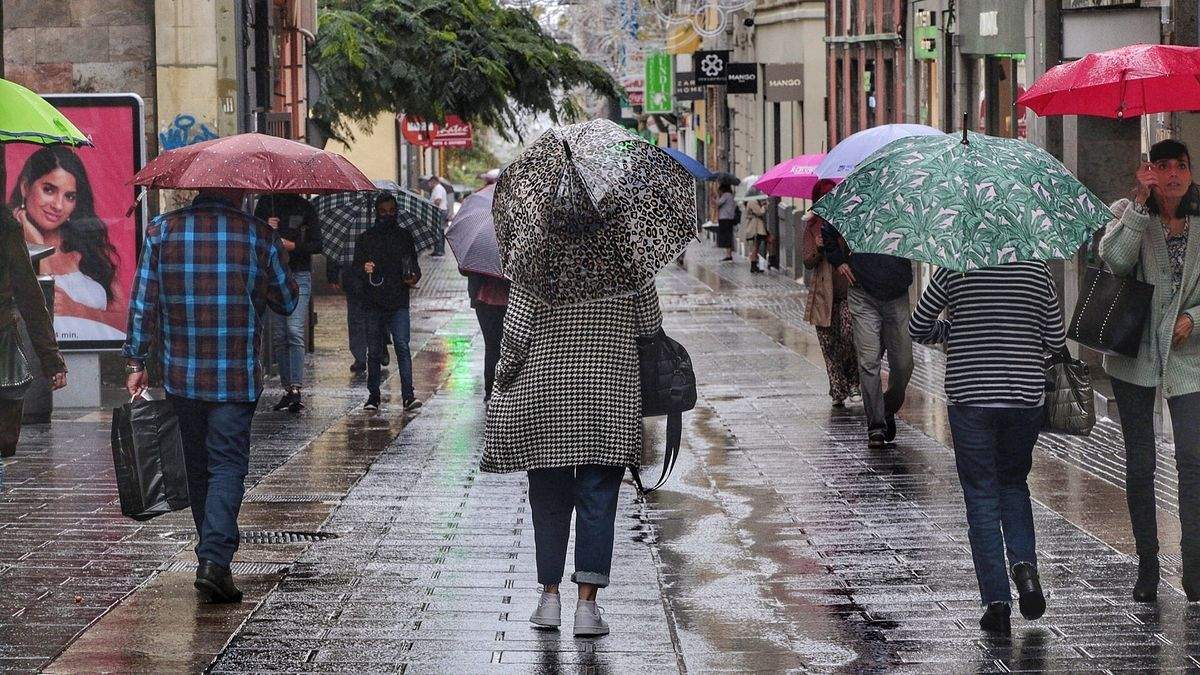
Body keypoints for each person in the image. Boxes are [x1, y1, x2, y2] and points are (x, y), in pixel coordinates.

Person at [124, 188, 297, 604]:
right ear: (237, 193)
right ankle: (214, 561)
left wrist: (135, 360)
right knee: (227, 464)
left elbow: (143, 301)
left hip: (181, 375)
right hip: (235, 375)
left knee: (198, 466)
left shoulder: (161, 231)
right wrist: (270, 255)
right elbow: (288, 300)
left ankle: (211, 557)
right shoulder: (256, 234)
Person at [482, 282, 662, 638]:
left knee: (549, 499)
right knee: (598, 498)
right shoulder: (627, 258)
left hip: (546, 393)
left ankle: (549, 600)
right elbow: (650, 325)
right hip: (609, 392)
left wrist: (502, 378)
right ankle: (587, 607)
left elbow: (516, 336)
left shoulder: (535, 258)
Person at [910, 261, 1065, 634]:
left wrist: (955, 329)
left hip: (971, 398)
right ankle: (1025, 568)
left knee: (981, 496)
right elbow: (1056, 339)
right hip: (1024, 399)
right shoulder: (1037, 271)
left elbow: (918, 326)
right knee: (1013, 483)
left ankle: (997, 603)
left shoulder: (953, 268)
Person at [1101, 139, 1200, 603]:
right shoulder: (1128, 209)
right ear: (1149, 171)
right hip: (1134, 355)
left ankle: (1196, 568)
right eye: (1163, 167)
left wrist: (1194, 318)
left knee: (1193, 463)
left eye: (1181, 166)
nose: (1173, 175)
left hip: (1190, 360)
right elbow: (1115, 261)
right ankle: (1147, 564)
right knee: (1140, 465)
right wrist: (1139, 207)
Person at [10, 146, 126, 339]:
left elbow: (123, 321)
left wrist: (78, 310)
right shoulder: (8, 247)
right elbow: (44, 311)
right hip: (36, 365)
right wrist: (37, 244)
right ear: (25, 187)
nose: (57, 205)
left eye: (69, 196)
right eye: (49, 189)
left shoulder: (90, 250)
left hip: (96, 362)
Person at [823, 221, 914, 449]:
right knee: (868, 361)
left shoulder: (904, 201)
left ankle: (887, 407)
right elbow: (828, 229)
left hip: (897, 292)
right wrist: (839, 261)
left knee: (904, 363)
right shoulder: (859, 197)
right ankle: (876, 426)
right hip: (862, 292)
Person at [0, 209, 68, 457]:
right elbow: (28, 294)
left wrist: (52, 360)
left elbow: (29, 295)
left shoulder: (5, 225)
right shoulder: (6, 225)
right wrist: (52, 361)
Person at [352, 193, 422, 411]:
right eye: (383, 211)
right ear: (376, 213)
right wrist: (365, 269)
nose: (387, 215)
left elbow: (414, 267)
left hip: (398, 300)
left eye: (391, 211)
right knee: (373, 351)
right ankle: (373, 396)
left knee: (402, 344)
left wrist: (412, 277)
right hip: (373, 302)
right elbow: (355, 271)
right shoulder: (365, 239)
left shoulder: (404, 237)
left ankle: (408, 395)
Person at [254, 195, 321, 413]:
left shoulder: (306, 208)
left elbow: (317, 244)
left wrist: (293, 246)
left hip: (298, 274)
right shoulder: (266, 204)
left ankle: (295, 387)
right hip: (273, 275)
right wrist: (266, 227)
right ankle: (287, 389)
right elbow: (253, 239)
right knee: (279, 334)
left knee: (294, 330)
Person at [802, 179, 860, 408]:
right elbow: (807, 262)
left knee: (848, 337)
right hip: (823, 294)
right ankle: (837, 389)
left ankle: (853, 382)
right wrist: (817, 247)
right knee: (829, 344)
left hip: (847, 290)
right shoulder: (811, 225)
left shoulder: (846, 221)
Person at [466, 272, 509, 401]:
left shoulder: (480, 253)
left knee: (492, 347)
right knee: (499, 347)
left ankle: (491, 391)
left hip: (484, 299)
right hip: (502, 299)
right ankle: (498, 389)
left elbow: (465, 270)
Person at [739, 192, 768, 274]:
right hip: (755, 227)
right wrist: (764, 207)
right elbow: (759, 212)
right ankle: (753, 265)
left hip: (755, 226)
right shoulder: (752, 201)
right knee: (755, 246)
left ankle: (755, 264)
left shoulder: (753, 201)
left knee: (756, 246)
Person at [426, 175, 449, 257]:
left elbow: (438, 200)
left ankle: (439, 250)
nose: (429, 184)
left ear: (433, 181)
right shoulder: (439, 188)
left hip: (439, 211)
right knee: (440, 231)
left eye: (430, 182)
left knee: (437, 231)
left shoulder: (438, 188)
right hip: (441, 210)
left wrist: (432, 208)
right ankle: (440, 250)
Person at [716, 184, 737, 262]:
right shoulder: (731, 196)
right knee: (728, 235)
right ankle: (729, 254)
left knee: (726, 237)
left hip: (724, 219)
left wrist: (717, 197)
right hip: (730, 218)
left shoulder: (726, 195)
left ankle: (728, 255)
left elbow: (718, 203)